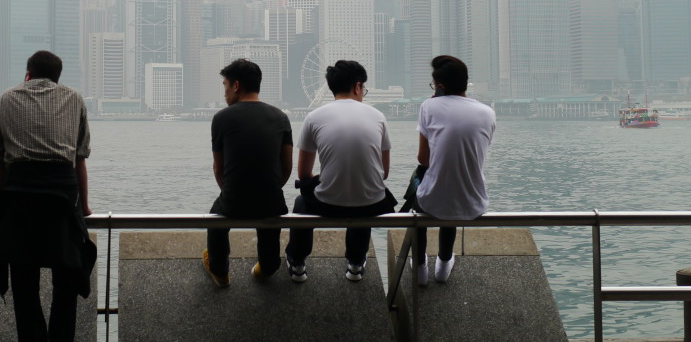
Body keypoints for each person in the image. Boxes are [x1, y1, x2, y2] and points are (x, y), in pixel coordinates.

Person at [0, 50, 96, 342]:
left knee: (24, 286)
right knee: (66, 282)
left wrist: (0, 211)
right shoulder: (73, 98)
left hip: (19, 199)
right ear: (58, 78)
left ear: (28, 74)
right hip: (61, 199)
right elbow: (79, 159)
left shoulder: (7, 98)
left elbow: (2, 162)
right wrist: (83, 207)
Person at [284, 60, 395, 283]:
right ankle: (355, 264)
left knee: (301, 203)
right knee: (365, 193)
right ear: (357, 86)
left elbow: (303, 174)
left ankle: (297, 263)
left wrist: (325, 178)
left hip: (327, 204)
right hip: (371, 204)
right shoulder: (378, 117)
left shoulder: (314, 117)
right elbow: (383, 173)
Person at [203, 58, 293, 287]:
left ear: (236, 85)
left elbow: (218, 167)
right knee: (269, 227)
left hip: (234, 198)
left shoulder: (222, 118)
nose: (224, 93)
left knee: (215, 221)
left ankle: (220, 271)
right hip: (271, 200)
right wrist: (270, 186)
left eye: (225, 86)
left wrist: (232, 191)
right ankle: (267, 267)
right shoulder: (281, 118)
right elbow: (287, 167)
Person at [412, 54, 496, 286]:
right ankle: (444, 263)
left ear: (440, 86)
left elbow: (423, 158)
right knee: (451, 195)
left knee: (420, 199)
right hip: (473, 201)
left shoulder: (429, 106)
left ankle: (419, 267)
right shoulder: (487, 112)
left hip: (433, 200)